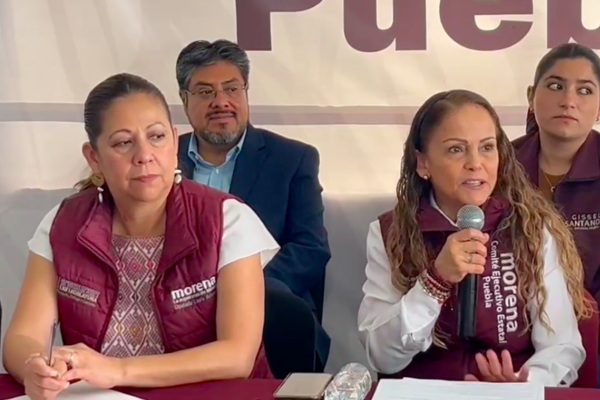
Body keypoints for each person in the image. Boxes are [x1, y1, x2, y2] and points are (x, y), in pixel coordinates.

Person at [2, 73, 280, 400]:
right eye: (123, 142)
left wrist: (118, 370)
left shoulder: (227, 219)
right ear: (94, 157)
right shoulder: (63, 224)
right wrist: (34, 367)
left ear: (174, 142)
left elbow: (237, 355)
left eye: (157, 137)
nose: (144, 155)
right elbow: (23, 337)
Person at [357, 89, 593, 386]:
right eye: (456, 149)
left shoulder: (530, 227)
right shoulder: (391, 232)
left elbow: (563, 348)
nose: (475, 163)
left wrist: (522, 384)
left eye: (487, 147)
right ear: (423, 163)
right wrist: (435, 281)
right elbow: (382, 356)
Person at [175, 39, 331, 370]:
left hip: (269, 315)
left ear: (246, 92)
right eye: (205, 92)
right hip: (176, 313)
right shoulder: (160, 159)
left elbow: (310, 249)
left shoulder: (292, 159)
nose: (221, 102)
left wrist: (239, 291)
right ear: (184, 99)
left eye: (232, 89)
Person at [513, 43, 600, 308]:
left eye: (584, 91)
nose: (568, 101)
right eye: (555, 86)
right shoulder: (502, 164)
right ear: (531, 96)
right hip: (513, 321)